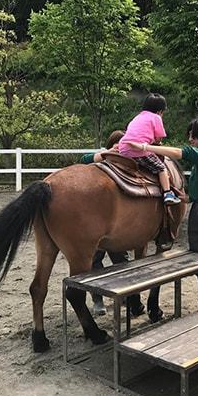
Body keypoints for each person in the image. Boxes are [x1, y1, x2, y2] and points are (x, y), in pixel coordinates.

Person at [126, 118, 198, 306]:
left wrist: (145, 147)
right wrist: (183, 198)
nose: (190, 139)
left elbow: (177, 152)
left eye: (192, 135)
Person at [80, 130, 145, 317]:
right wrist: (106, 153)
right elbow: (83, 159)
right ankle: (97, 298)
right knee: (95, 260)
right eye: (116, 146)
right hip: (97, 220)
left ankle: (126, 296)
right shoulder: (101, 160)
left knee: (121, 260)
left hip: (118, 222)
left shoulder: (128, 166)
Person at [118, 94, 181, 205]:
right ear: (160, 111)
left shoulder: (137, 117)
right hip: (139, 151)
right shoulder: (156, 117)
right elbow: (159, 138)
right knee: (161, 168)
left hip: (122, 148)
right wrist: (156, 142)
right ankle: (168, 193)